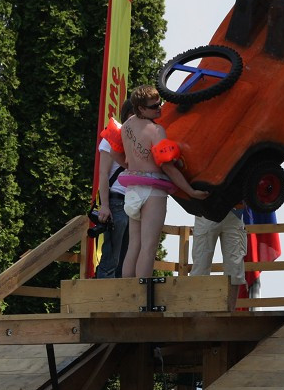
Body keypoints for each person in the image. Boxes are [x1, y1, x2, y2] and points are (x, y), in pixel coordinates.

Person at [120, 85, 208, 278]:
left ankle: (125, 295)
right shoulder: (156, 130)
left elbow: (119, 155)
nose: (159, 108)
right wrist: (190, 191)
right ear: (141, 108)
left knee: (134, 245)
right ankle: (144, 298)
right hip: (153, 191)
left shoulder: (126, 126)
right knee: (149, 247)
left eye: (160, 103)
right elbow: (167, 167)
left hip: (132, 188)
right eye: (154, 106)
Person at [95, 99, 135, 278]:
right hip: (116, 200)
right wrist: (104, 205)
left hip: (134, 201)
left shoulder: (137, 139)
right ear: (128, 115)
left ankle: (119, 303)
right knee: (111, 259)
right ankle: (101, 302)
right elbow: (103, 174)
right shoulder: (113, 136)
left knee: (127, 260)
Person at [192, 207, 247, 311]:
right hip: (206, 210)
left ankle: (230, 314)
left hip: (235, 213)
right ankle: (198, 314)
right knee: (200, 267)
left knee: (235, 269)